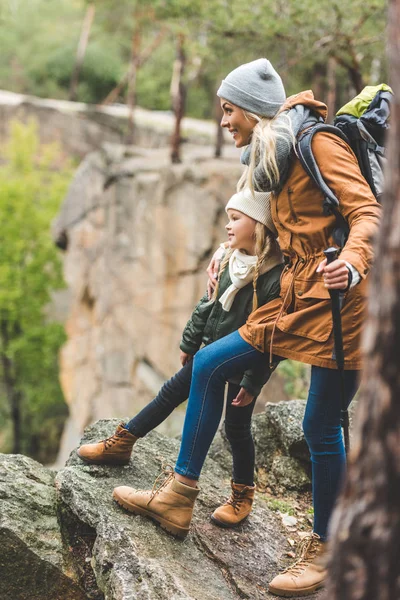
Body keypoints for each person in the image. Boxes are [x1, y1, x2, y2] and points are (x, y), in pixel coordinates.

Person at [111, 59, 380, 597]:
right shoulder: (270, 155)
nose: (223, 121)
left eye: (228, 110)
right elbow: (274, 233)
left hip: (342, 300)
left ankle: (330, 546)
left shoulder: (317, 144)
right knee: (210, 363)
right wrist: (225, 251)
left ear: (255, 111)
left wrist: (349, 265)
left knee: (322, 423)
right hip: (294, 294)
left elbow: (368, 213)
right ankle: (179, 496)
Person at [78, 187, 284, 528]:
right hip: (209, 354)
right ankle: (124, 441)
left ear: (259, 225)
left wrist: (252, 381)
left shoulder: (274, 277)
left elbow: (269, 340)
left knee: (236, 429)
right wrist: (191, 341)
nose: (228, 227)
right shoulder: (229, 259)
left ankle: (242, 493)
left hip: (242, 363)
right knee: (170, 392)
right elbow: (208, 303)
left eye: (236, 219)